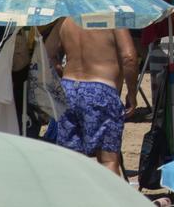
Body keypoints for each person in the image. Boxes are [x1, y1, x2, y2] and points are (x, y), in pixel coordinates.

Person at [44, 16, 139, 174]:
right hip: (101, 89)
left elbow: (47, 52)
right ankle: (109, 199)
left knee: (71, 157)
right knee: (108, 160)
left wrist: (62, 70)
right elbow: (129, 58)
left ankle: (74, 197)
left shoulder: (66, 19)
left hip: (69, 88)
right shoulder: (112, 18)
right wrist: (132, 93)